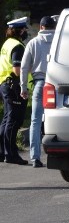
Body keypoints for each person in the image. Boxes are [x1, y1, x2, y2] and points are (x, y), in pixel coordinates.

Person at [20, 15, 56, 168]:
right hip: (57, 84)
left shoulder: (33, 43)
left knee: (35, 121)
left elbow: (23, 67)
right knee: (57, 119)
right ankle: (59, 153)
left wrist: (23, 87)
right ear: (53, 27)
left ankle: (35, 157)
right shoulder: (58, 42)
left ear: (41, 27)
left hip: (40, 84)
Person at [1, 18, 29, 165]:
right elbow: (17, 70)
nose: (26, 32)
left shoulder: (7, 43)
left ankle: (3, 152)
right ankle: (11, 154)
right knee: (13, 120)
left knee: (7, 119)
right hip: (13, 85)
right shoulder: (18, 46)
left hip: (5, 84)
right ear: (19, 30)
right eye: (24, 29)